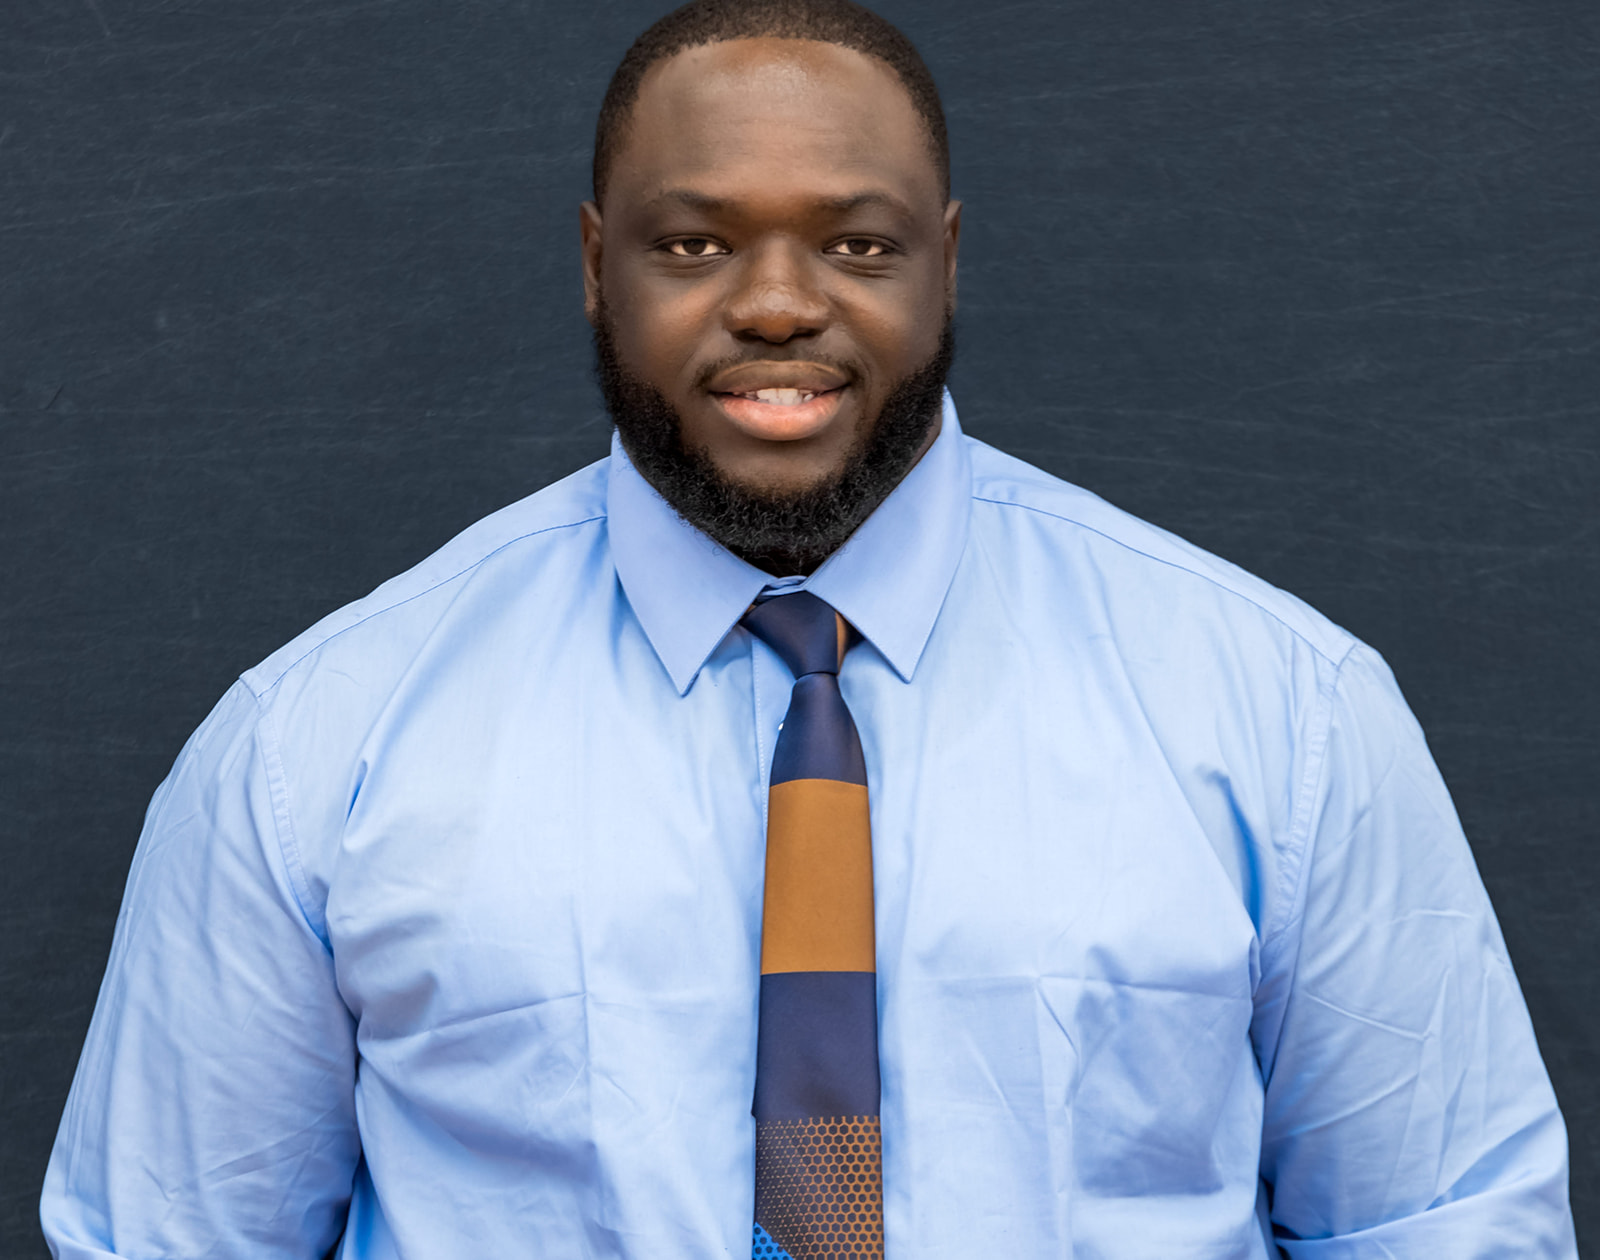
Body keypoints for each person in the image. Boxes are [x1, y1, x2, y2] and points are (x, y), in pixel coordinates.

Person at [42, 1, 1577, 1256]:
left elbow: (1443, 1227)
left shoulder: (1284, 711)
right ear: (593, 265)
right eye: (693, 244)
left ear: (947, 260)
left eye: (857, 243)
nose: (777, 304)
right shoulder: (315, 745)